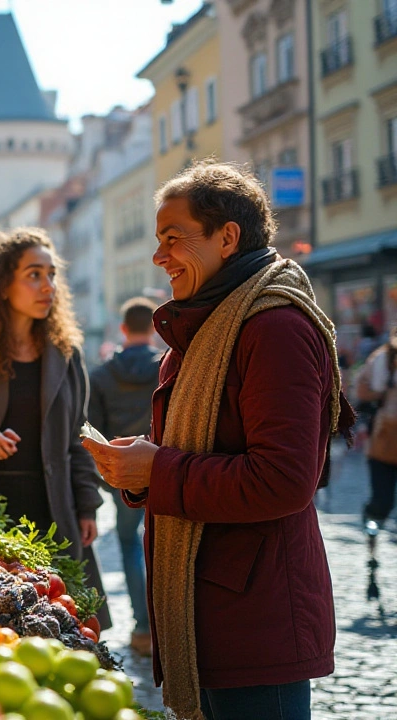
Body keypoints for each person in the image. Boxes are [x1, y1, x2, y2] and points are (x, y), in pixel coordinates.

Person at [82, 161, 351, 720]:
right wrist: (139, 472)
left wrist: (157, 471)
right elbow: (197, 459)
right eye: (158, 241)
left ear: (228, 238)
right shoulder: (206, 326)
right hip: (215, 611)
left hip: (256, 619)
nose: (160, 257)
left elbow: (282, 480)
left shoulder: (273, 326)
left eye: (173, 239)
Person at [0, 228, 108, 630]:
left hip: (55, 513)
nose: (47, 285)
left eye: (51, 274)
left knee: (64, 625)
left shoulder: (66, 354)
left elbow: (81, 438)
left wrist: (86, 506)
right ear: (2, 285)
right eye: (34, 274)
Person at [87, 297, 162, 658]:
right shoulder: (167, 368)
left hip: (122, 476)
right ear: (153, 327)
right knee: (167, 548)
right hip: (164, 469)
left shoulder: (102, 375)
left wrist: (110, 477)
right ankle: (169, 626)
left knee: (131, 543)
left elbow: (93, 433)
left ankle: (143, 628)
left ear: (122, 329)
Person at [355, 330, 397, 528]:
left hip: (383, 437)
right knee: (382, 502)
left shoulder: (379, 358)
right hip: (384, 439)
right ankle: (371, 527)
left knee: (382, 500)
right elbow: (361, 391)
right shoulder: (381, 359)